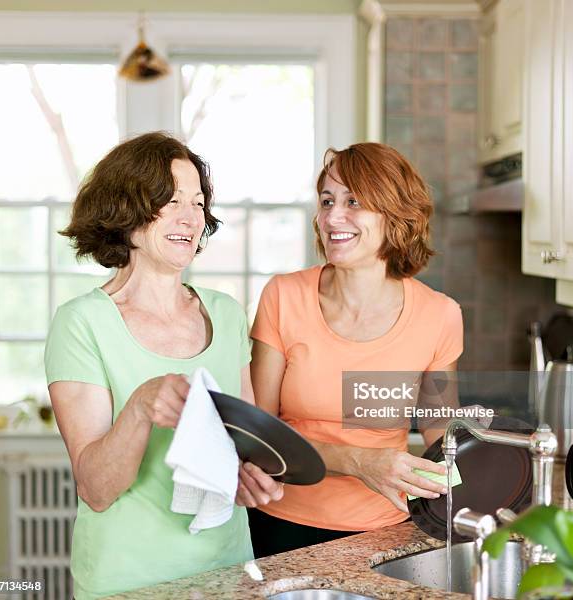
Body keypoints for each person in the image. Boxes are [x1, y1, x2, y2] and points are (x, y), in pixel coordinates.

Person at [44, 132, 283, 599]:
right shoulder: (82, 323)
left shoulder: (226, 313)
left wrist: (249, 476)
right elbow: (96, 488)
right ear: (125, 213)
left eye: (197, 203)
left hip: (230, 571)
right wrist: (140, 406)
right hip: (128, 581)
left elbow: (244, 442)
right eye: (171, 201)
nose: (191, 217)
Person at [248, 142, 463, 557]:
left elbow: (442, 440)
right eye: (327, 200)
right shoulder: (284, 296)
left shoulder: (439, 315)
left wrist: (493, 475)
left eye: (354, 201)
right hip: (278, 524)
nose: (332, 216)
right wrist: (359, 462)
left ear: (395, 215)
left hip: (385, 532)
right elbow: (259, 434)